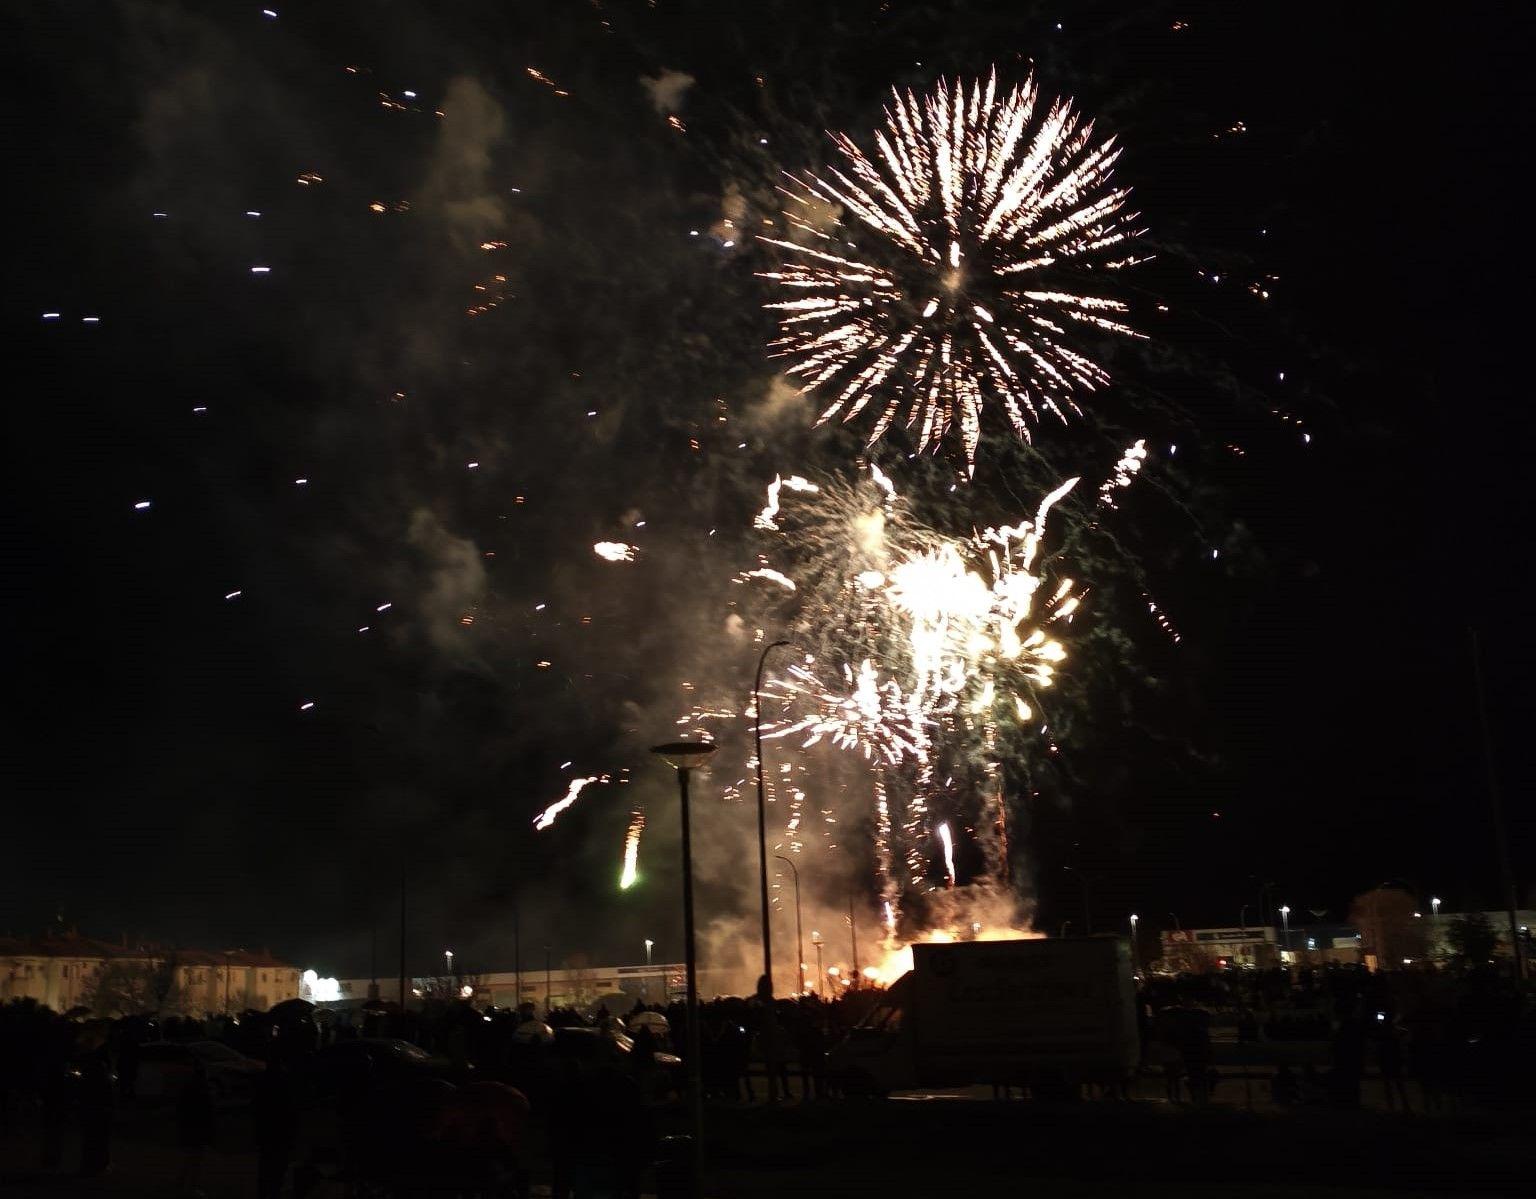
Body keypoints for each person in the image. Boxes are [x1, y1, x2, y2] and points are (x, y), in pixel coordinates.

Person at [254, 1058, 297, 1199]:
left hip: (268, 1134)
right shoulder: (285, 1083)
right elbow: (290, 1112)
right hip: (280, 1135)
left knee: (266, 1168)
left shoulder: (263, 1081)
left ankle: (266, 1192)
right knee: (277, 1169)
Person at [176, 1059, 215, 1197]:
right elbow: (207, 1113)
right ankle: (190, 1186)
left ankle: (182, 1183)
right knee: (195, 1159)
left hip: (188, 1127)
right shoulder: (203, 1091)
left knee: (189, 1157)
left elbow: (180, 1108)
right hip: (197, 1129)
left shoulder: (188, 1088)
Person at [77, 1045, 114, 1177]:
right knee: (99, 1139)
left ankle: (89, 1165)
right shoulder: (101, 1071)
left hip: (91, 1107)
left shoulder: (89, 1069)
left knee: (90, 1139)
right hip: (99, 1108)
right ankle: (97, 1165)